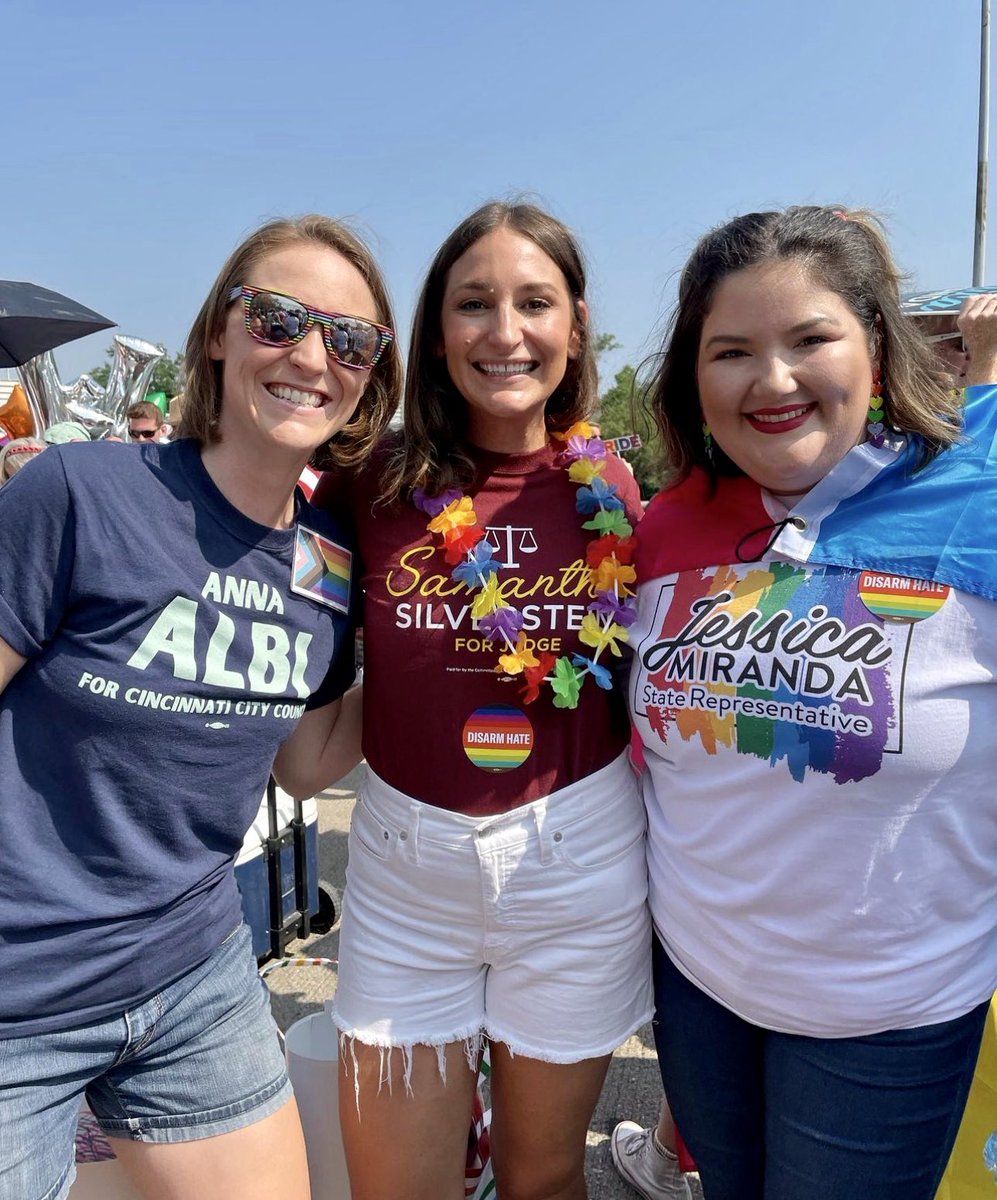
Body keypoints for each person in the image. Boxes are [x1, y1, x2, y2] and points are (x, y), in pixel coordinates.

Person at [0, 214, 401, 1200]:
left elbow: (305, 764)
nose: (311, 355)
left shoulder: (327, 561)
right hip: (18, 988)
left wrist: (425, 658)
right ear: (219, 331)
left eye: (350, 339)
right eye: (278, 319)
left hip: (191, 973)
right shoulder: (81, 490)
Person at [625, 204, 996, 1200]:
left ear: (874, 343)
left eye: (808, 339)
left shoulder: (979, 503)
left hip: (889, 1023)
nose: (773, 379)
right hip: (698, 993)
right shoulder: (661, 527)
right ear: (693, 376)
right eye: (731, 351)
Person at [314, 201, 658, 1200]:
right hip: (405, 877)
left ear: (575, 327)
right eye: (473, 303)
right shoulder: (368, 482)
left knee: (540, 1180)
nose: (504, 332)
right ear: (435, 331)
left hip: (576, 869)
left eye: (533, 302)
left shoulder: (612, 489)